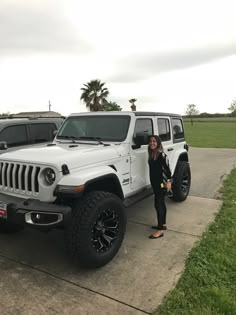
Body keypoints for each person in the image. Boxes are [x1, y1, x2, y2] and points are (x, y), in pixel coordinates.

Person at [148, 135, 172, 239]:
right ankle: (163, 224)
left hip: (161, 184)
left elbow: (168, 169)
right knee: (160, 203)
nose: (152, 143)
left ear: (158, 143)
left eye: (154, 141)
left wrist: (169, 181)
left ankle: (160, 230)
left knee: (159, 204)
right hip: (155, 183)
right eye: (150, 141)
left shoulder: (162, 155)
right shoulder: (152, 154)